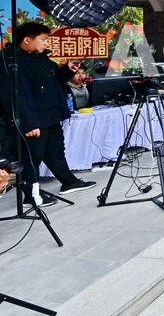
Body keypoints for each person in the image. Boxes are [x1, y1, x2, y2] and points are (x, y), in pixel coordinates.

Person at [0, 22, 96, 206]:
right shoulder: (11, 62)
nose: (47, 43)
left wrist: (67, 70)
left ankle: (69, 182)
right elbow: (16, 96)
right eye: (43, 39)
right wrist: (29, 123)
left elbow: (54, 80)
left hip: (51, 116)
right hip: (34, 120)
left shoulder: (40, 58)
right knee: (32, 157)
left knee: (55, 151)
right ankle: (31, 196)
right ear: (27, 40)